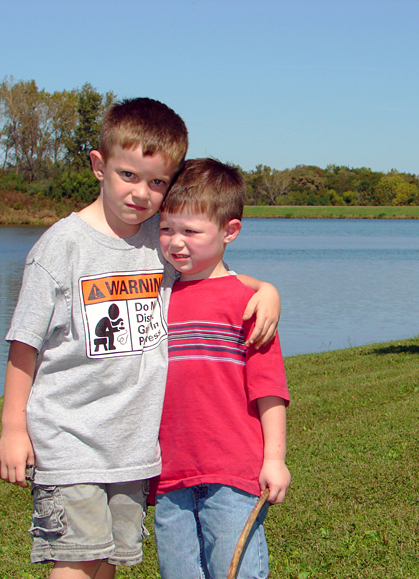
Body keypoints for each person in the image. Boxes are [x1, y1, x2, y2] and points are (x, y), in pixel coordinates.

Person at [0, 99, 280, 579]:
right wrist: (12, 428)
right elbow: (25, 344)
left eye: (156, 182)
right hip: (71, 441)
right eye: (128, 175)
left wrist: (265, 290)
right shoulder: (60, 247)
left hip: (133, 450)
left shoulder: (156, 238)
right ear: (98, 165)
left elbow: (211, 271)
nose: (141, 194)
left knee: (108, 561)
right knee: (76, 561)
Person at [153, 158, 290, 579]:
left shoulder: (247, 304)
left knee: (237, 572)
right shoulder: (155, 294)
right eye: (166, 229)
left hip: (234, 473)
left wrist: (276, 460)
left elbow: (268, 390)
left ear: (230, 231)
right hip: (168, 474)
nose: (176, 242)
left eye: (191, 231)